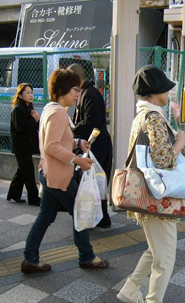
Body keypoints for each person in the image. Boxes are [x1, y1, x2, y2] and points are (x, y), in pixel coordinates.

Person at [116, 65, 185, 303]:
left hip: (147, 194)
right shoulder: (154, 117)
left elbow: (157, 150)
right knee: (165, 257)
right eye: (166, 87)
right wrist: (182, 141)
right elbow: (164, 160)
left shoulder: (144, 115)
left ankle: (131, 289)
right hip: (159, 198)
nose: (170, 91)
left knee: (155, 250)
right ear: (154, 91)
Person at [21, 68, 109, 273]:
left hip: (50, 174)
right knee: (80, 213)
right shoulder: (59, 113)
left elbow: (56, 141)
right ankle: (86, 256)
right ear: (62, 90)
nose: (77, 95)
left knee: (45, 218)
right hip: (60, 176)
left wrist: (77, 142)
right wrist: (77, 158)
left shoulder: (50, 109)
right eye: (74, 91)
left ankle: (30, 258)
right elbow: (52, 145)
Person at [68, 64, 113, 228]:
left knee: (97, 180)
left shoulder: (90, 94)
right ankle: (97, 217)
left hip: (98, 144)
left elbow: (90, 121)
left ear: (75, 78)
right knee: (93, 180)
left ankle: (101, 217)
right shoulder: (86, 93)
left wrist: (72, 130)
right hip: (93, 143)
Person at [7, 83, 40, 206]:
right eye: (27, 93)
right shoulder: (18, 109)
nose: (31, 95)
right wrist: (34, 120)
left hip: (27, 145)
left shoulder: (29, 108)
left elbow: (34, 126)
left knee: (22, 171)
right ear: (20, 95)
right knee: (28, 171)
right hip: (21, 147)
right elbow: (20, 128)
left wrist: (36, 120)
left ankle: (13, 194)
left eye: (31, 92)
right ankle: (34, 198)